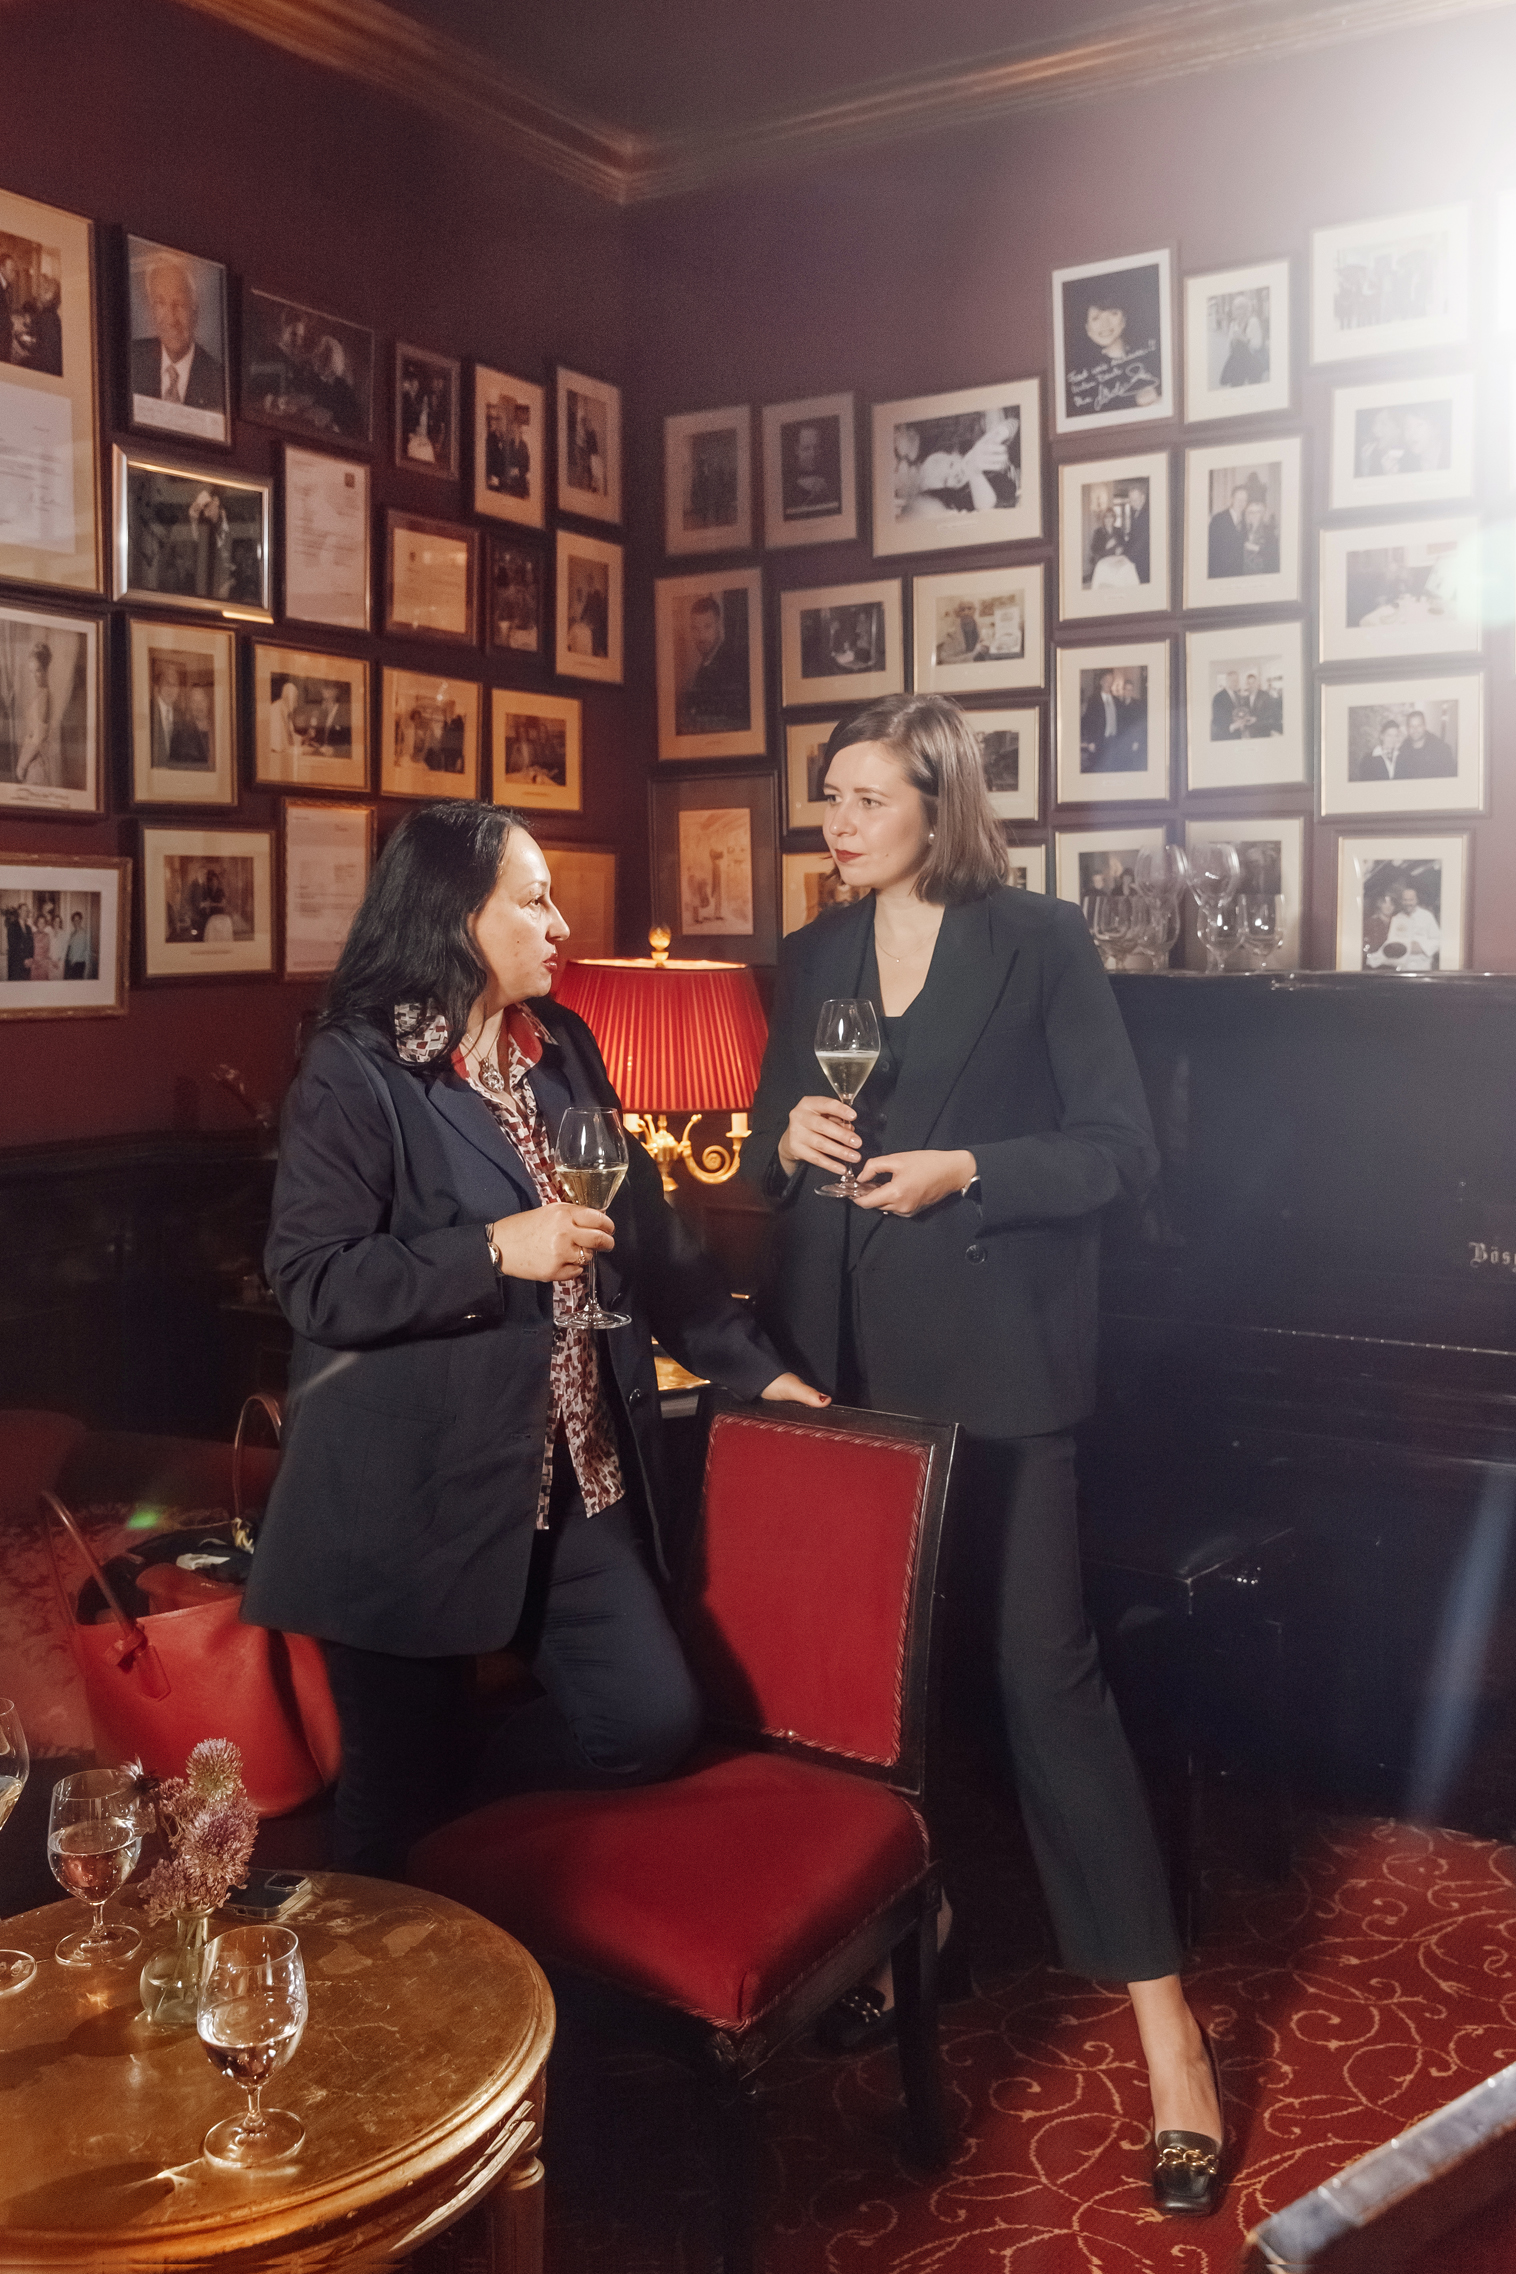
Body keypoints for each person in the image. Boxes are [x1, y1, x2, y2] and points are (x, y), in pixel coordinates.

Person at [741, 694, 1224, 2216]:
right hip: (846, 1374)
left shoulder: (1041, 942)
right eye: (829, 796)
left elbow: (1121, 1153)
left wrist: (968, 1169)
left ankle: (1172, 2044)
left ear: (937, 803)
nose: (836, 823)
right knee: (878, 1705)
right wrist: (786, 1144)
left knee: (1043, 1684)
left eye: (865, 798)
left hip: (1001, 1373)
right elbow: (763, 1145)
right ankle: (921, 1938)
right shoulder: (815, 952)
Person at [242, 802, 823, 1876]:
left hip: (571, 1480)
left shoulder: (566, 1047)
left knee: (647, 1722)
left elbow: (652, 1243)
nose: (560, 926)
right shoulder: (355, 1067)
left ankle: (459, 1817)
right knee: (391, 1811)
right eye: (533, 901)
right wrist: (492, 1252)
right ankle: (400, 1937)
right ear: (455, 915)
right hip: (407, 1504)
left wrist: (763, 1373)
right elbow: (316, 1282)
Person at [131, 254, 224, 412]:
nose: (171, 319)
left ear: (195, 310)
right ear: (152, 310)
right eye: (160, 303)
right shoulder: (131, 359)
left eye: (180, 304)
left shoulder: (218, 379)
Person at [676, 594, 747, 735]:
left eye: (707, 627)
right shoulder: (706, 663)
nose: (701, 636)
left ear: (719, 625)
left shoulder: (733, 665)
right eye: (695, 628)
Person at [14, 642, 54, 786]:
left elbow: (38, 738)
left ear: (45, 670)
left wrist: (22, 765)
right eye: (31, 672)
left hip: (36, 761)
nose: (34, 676)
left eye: (38, 671)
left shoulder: (44, 696)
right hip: (31, 758)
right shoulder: (39, 694)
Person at [1207, 484, 1250, 578]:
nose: (1241, 503)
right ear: (1232, 499)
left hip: (1238, 572)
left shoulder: (1245, 520)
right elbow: (1211, 548)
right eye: (1238, 499)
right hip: (1220, 572)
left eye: (1244, 500)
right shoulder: (1218, 519)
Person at [1399, 708, 1456, 777]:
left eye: (1419, 725)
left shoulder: (1441, 750)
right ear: (1407, 728)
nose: (1415, 729)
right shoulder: (1402, 752)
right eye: (1411, 726)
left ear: (1424, 726)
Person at [62, 909, 89, 979]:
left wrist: (73, 961)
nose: (76, 922)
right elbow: (70, 947)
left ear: (81, 920)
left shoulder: (83, 933)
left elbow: (82, 949)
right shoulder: (73, 933)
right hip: (71, 961)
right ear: (72, 921)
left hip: (78, 962)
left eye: (78, 920)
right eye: (74, 920)